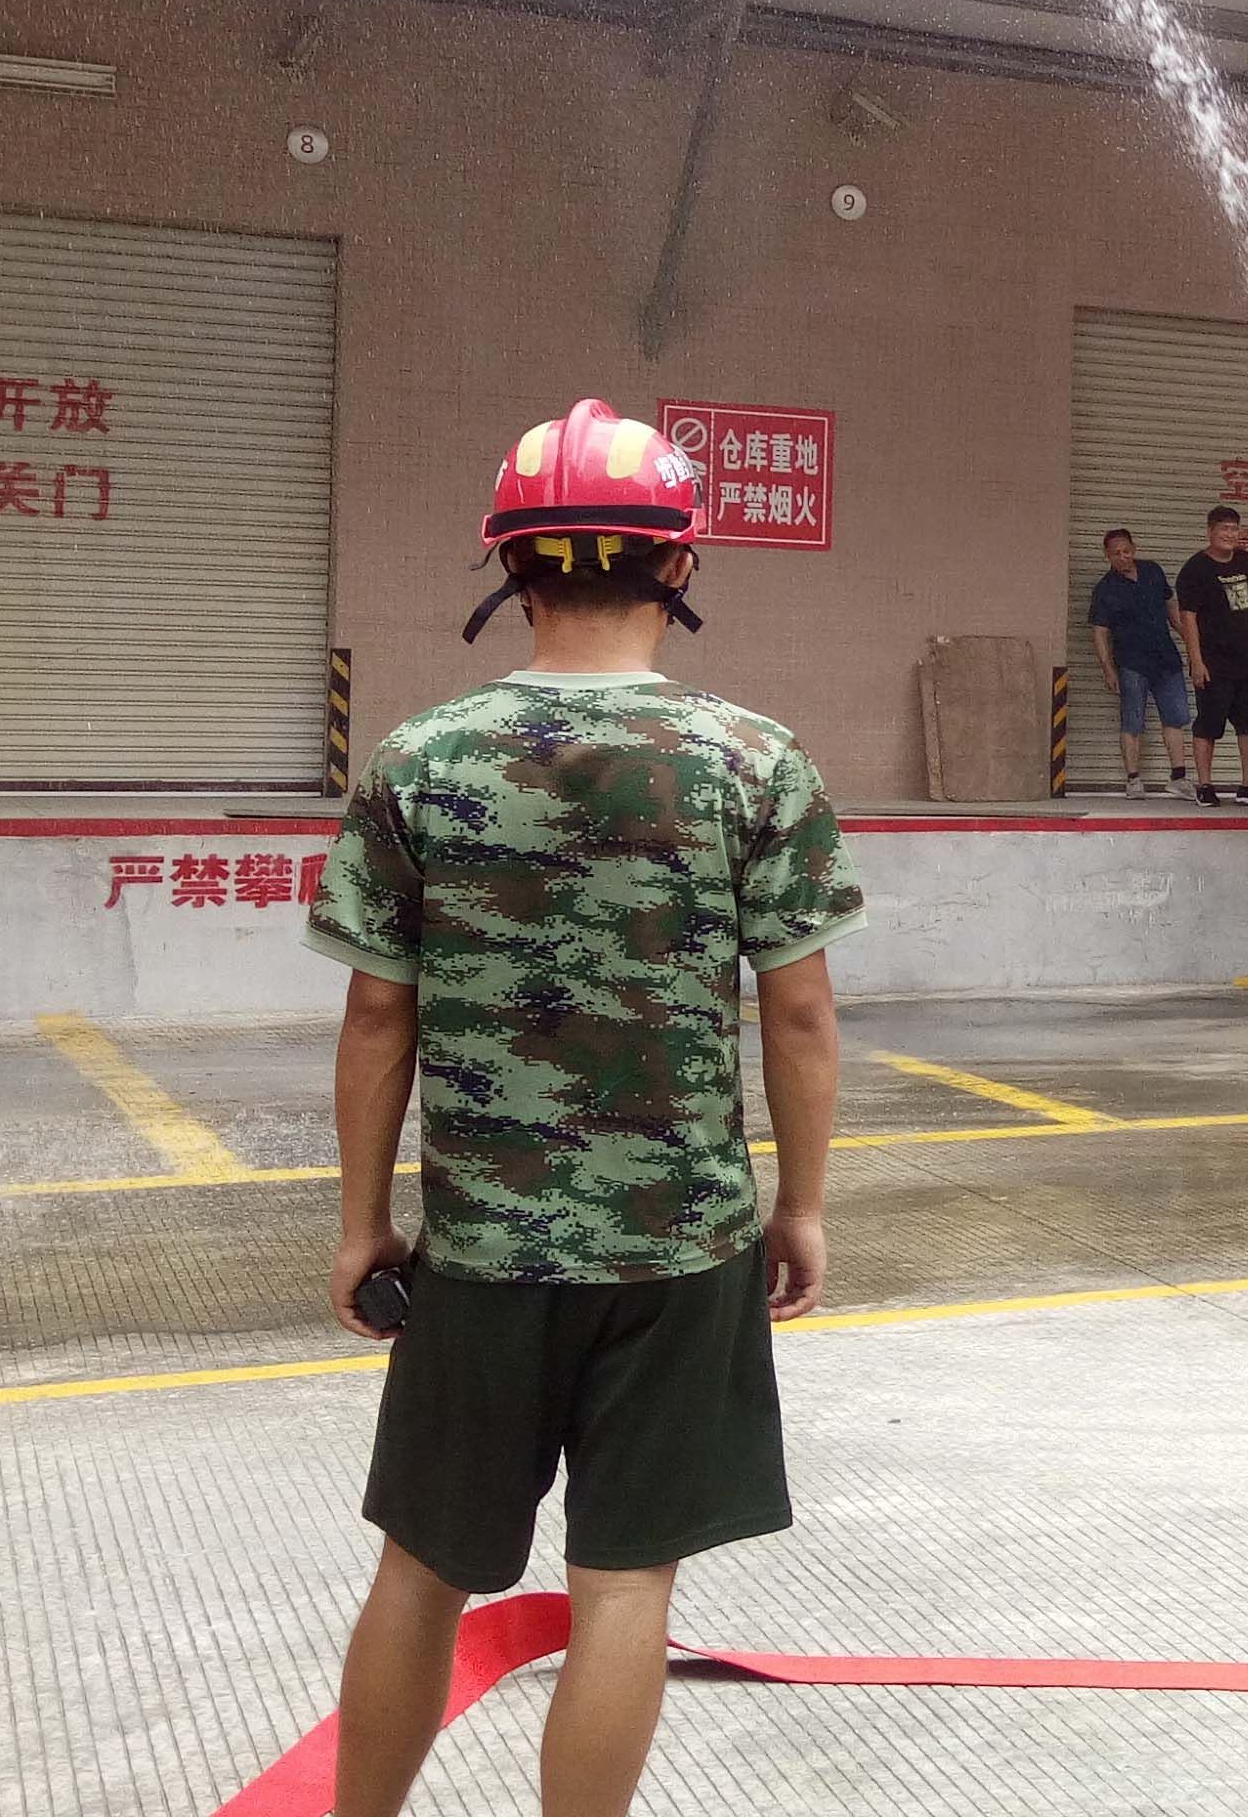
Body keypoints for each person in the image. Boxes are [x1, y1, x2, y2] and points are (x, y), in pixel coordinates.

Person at [306, 397, 867, 1817]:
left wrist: (365, 1225)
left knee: (421, 1570)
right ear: (679, 565)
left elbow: (376, 1016)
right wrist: (800, 1205)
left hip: (481, 1254)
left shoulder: (420, 760)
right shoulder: (753, 761)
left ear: (514, 566)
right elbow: (799, 1013)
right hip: (678, 1252)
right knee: (623, 1586)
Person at [1173, 503, 1248, 807]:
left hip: (1246, 658)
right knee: (1209, 723)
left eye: (1234, 529)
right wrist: (1196, 660)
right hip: (1213, 661)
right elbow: (1188, 617)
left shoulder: (1244, 561)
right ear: (1210, 532)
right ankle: (1205, 786)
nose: (1229, 534)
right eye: (1224, 529)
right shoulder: (1195, 569)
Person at [1085, 526, 1195, 797]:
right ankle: (1133, 779)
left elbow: (1172, 609)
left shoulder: (1153, 571)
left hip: (1166, 658)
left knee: (1175, 718)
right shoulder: (1105, 589)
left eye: (1127, 551)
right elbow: (1100, 633)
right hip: (1132, 663)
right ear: (1107, 555)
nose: (1123, 557)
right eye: (1116, 553)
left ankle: (1179, 778)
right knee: (1132, 721)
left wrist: (1192, 644)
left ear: (1134, 549)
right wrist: (1108, 670)